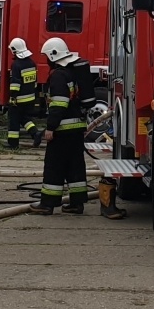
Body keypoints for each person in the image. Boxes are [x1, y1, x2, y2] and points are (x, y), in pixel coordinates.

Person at [31, 37, 90, 215]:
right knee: (75, 166)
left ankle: (47, 204)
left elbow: (58, 104)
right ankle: (77, 204)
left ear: (52, 56)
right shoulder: (72, 72)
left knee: (54, 167)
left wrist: (50, 128)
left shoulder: (58, 75)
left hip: (62, 131)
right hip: (76, 129)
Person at [5, 38, 39, 150]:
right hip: (30, 98)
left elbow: (15, 84)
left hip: (19, 99)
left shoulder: (16, 64)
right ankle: (35, 133)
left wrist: (12, 98)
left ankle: (13, 144)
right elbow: (35, 82)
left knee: (13, 120)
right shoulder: (32, 63)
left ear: (14, 50)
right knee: (24, 118)